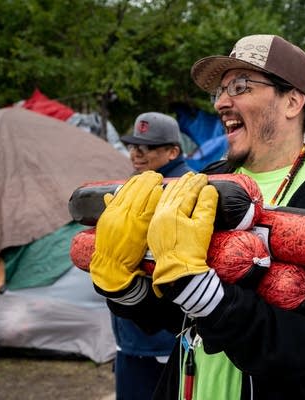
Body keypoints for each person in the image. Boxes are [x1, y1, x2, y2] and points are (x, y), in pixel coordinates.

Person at [90, 34, 305, 399]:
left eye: (241, 86)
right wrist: (124, 287)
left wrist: (200, 289)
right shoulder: (209, 180)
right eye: (221, 91)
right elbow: (174, 315)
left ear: (292, 101)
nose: (222, 103)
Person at [111, 112, 193, 400]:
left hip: (163, 335)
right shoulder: (141, 184)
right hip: (133, 334)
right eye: (133, 145)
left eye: (147, 147)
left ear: (172, 151)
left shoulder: (186, 190)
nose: (136, 152)